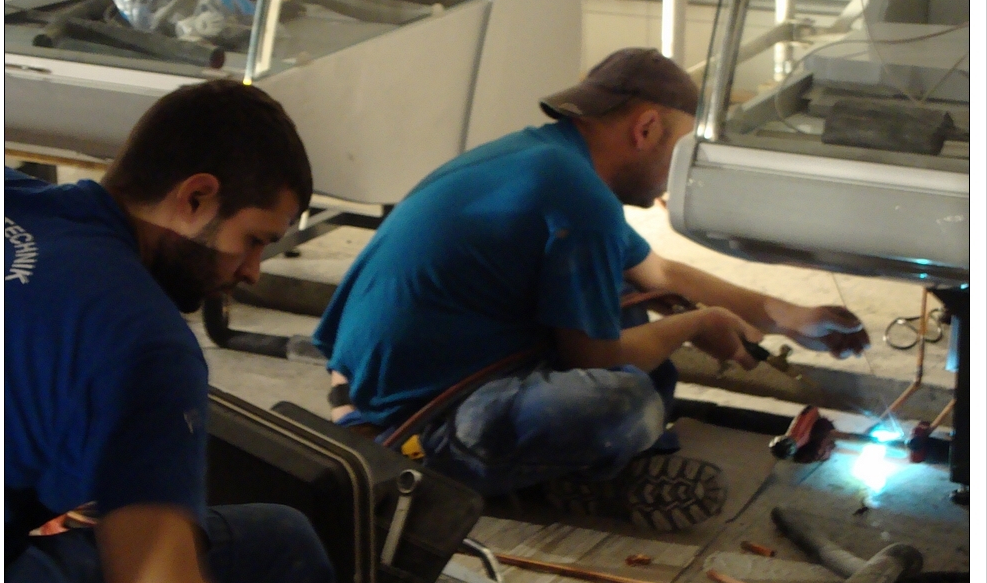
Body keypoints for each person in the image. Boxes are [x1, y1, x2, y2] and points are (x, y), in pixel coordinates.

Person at [313, 48, 870, 531]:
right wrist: (696, 324)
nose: (674, 182)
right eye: (680, 154)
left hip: (365, 381)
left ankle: (548, 470)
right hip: (413, 423)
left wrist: (789, 316)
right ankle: (523, 477)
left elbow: (661, 274)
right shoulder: (579, 198)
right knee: (623, 405)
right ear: (646, 129)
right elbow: (596, 358)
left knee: (628, 309)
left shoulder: (546, 159)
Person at [5, 80, 380, 583]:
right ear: (196, 198)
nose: (252, 270)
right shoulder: (147, 343)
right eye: (253, 239)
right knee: (286, 554)